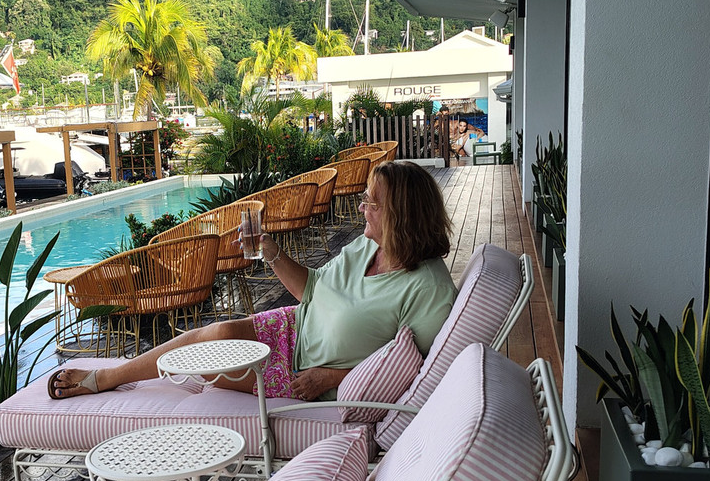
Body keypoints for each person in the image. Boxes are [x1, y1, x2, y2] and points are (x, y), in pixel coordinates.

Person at [48, 161, 458, 401]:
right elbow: (313, 289)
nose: (363, 207)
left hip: (307, 372)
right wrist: (270, 250)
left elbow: (420, 371)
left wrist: (333, 377)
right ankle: (110, 377)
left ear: (402, 216)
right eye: (365, 198)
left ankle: (105, 380)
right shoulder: (368, 246)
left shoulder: (428, 288)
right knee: (220, 331)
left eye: (373, 202)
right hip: (294, 326)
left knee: (206, 360)